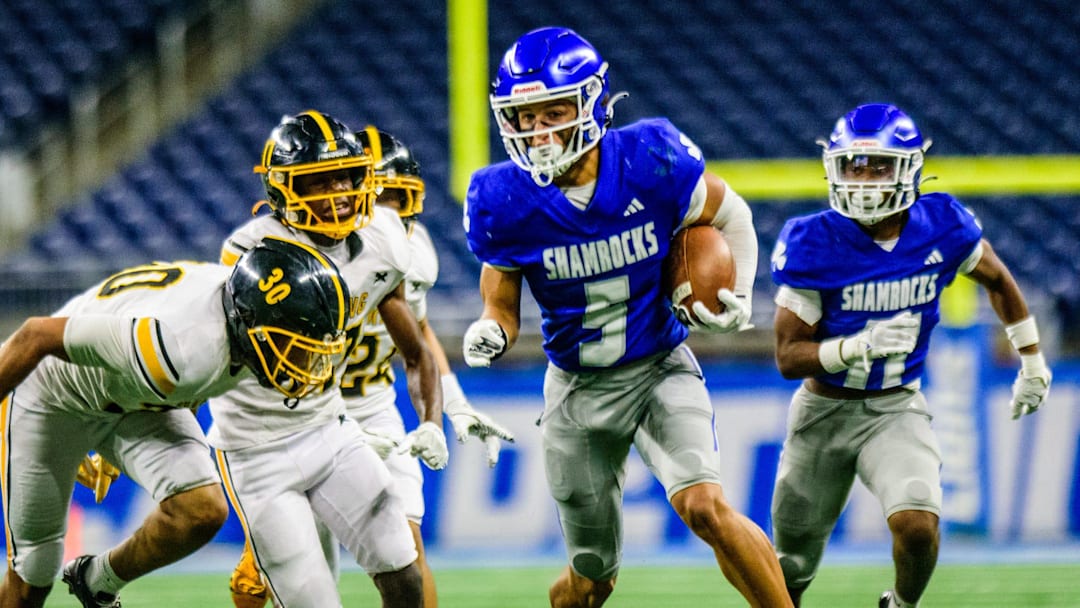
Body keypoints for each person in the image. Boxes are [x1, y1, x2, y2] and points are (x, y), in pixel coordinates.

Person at [461, 26, 793, 608]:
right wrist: (491, 330)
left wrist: (735, 294)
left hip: (659, 366)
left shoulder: (651, 157)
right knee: (592, 579)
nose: (538, 133)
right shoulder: (501, 198)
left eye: (553, 112)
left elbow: (731, 213)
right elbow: (501, 302)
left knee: (704, 506)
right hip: (577, 390)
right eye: (524, 117)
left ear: (591, 104)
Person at [768, 103, 1052, 608]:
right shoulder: (813, 240)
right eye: (853, 165)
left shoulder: (942, 224)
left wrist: (1031, 360)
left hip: (895, 408)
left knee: (917, 524)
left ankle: (899, 605)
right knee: (789, 571)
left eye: (878, 164)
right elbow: (789, 357)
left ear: (909, 168)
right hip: (822, 414)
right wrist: (858, 348)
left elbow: (998, 280)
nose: (862, 178)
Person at [225, 124, 514, 608]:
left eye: (401, 199)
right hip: (299, 411)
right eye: (384, 195)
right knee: (273, 579)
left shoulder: (396, 245)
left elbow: (417, 341)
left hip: (371, 400)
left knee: (404, 549)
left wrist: (448, 408)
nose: (391, 210)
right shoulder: (264, 252)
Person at [0, 236, 353, 608]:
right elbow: (35, 335)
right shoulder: (179, 341)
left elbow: (193, 381)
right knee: (34, 574)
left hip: (131, 396)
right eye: (295, 344)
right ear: (253, 326)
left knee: (200, 510)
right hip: (54, 392)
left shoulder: (243, 320)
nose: (302, 360)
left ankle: (95, 581)